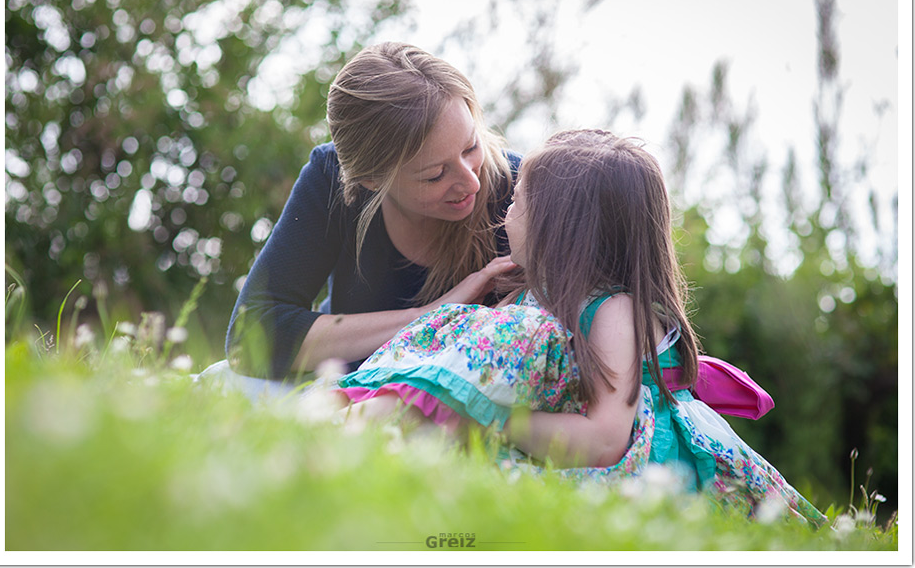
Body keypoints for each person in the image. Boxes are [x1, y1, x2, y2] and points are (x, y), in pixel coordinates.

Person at [335, 129, 827, 525]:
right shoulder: (534, 300)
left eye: (520, 202)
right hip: (572, 448)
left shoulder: (614, 312)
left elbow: (608, 438)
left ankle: (371, 425)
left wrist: (496, 423)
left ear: (560, 227)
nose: (505, 212)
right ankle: (364, 417)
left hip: (647, 470)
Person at [216, 42, 521, 390]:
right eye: (435, 174)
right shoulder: (331, 179)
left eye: (471, 147)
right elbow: (250, 337)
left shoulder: (525, 193)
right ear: (371, 179)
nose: (470, 180)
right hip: (343, 393)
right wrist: (432, 316)